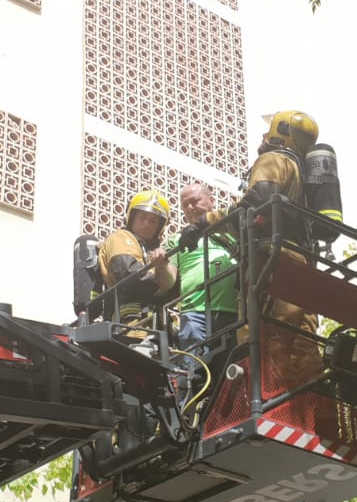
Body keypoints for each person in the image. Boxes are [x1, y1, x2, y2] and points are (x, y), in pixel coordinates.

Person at [185, 111, 324, 383]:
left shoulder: (273, 159)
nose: (262, 136)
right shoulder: (303, 175)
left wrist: (205, 222)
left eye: (267, 130)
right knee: (303, 343)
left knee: (264, 337)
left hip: (273, 262)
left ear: (279, 132)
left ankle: (266, 397)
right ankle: (310, 408)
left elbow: (257, 202)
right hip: (303, 266)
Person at [168, 183, 239, 375]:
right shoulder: (177, 239)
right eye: (185, 205)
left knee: (233, 373)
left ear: (211, 201)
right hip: (195, 313)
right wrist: (159, 266)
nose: (190, 207)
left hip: (234, 311)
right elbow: (168, 279)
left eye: (195, 201)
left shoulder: (231, 228)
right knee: (195, 374)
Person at [96, 190, 177, 330]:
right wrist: (162, 282)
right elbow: (128, 274)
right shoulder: (121, 237)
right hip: (129, 326)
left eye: (153, 220)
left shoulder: (155, 251)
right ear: (131, 217)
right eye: (142, 217)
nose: (146, 223)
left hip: (153, 327)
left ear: (160, 227)